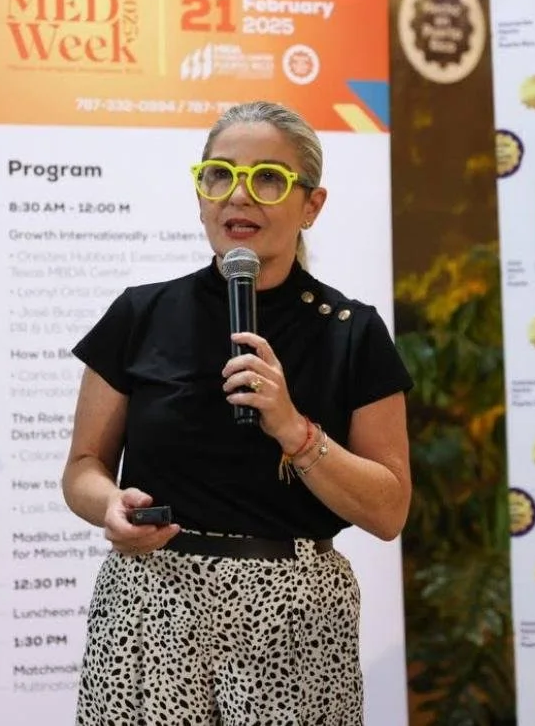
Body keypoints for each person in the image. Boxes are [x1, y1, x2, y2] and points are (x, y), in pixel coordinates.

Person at [62, 100, 413, 724]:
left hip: (297, 616)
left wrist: (295, 430)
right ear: (200, 195)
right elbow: (84, 468)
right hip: (150, 604)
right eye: (219, 175)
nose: (238, 196)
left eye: (268, 179)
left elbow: (389, 510)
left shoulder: (352, 332)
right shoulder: (140, 315)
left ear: (312, 205)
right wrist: (109, 506)